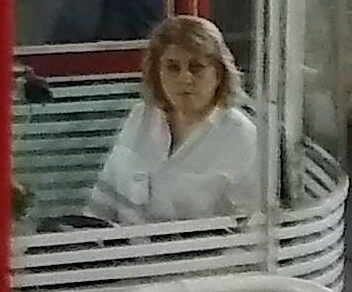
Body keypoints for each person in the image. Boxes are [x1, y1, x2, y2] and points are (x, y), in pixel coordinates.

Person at [79, 15, 270, 224]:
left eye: (196, 67)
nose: (185, 78)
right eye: (172, 67)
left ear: (219, 74)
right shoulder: (141, 117)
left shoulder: (244, 139)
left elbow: (249, 238)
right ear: (157, 73)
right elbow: (102, 203)